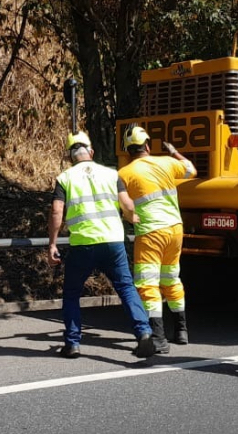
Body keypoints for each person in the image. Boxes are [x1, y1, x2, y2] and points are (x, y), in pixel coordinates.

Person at [47, 131, 157, 360]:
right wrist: (132, 218)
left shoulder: (65, 178)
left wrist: (52, 243)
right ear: (91, 151)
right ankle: (144, 333)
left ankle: (72, 343)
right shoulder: (111, 174)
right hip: (113, 242)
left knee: (72, 294)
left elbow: (57, 211)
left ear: (70, 156)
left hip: (83, 244)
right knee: (126, 288)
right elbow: (127, 205)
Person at [117, 125, 196, 354]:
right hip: (175, 229)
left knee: (147, 283)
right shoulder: (166, 162)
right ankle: (181, 330)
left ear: (128, 151)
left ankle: (159, 338)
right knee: (171, 278)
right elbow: (191, 170)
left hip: (150, 232)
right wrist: (174, 152)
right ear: (148, 146)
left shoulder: (124, 173)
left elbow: (124, 206)